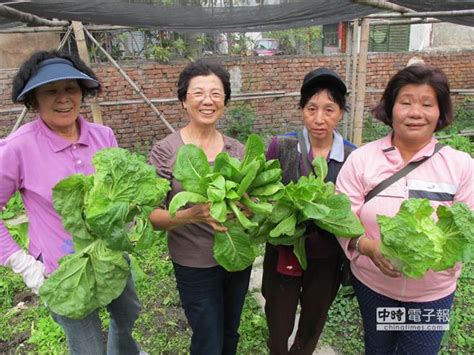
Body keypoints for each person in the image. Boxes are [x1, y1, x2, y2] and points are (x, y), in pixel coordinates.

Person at [0, 50, 142, 355]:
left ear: (82, 92)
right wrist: (23, 264)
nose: (63, 98)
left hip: (110, 255)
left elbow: (123, 193)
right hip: (61, 268)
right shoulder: (18, 148)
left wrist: (129, 217)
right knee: (87, 348)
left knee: (128, 315)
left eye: (71, 88)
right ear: (34, 100)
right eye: (51, 91)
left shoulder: (103, 136)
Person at [336, 64, 473, 354]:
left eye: (427, 104)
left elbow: (466, 228)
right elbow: (342, 216)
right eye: (406, 102)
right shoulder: (362, 160)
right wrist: (368, 246)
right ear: (391, 107)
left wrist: (433, 254)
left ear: (440, 112)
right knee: (378, 348)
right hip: (373, 286)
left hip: (431, 294)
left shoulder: (461, 166)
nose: (415, 113)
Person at [148, 59, 251, 355]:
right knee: (208, 339)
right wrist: (192, 214)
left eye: (216, 94)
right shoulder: (166, 150)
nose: (208, 101)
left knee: (230, 332)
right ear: (184, 100)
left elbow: (254, 202)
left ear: (225, 102)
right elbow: (153, 217)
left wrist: (247, 208)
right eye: (198, 93)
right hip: (194, 263)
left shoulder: (237, 150)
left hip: (236, 257)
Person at [261, 67, 356, 355]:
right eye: (311, 108)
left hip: (326, 260)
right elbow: (262, 193)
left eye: (329, 109)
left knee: (313, 323)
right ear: (301, 108)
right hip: (283, 253)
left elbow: (354, 210)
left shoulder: (353, 157)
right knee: (278, 323)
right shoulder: (282, 146)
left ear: (340, 112)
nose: (319, 118)